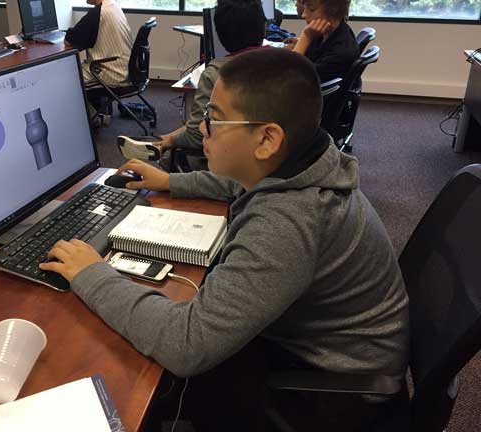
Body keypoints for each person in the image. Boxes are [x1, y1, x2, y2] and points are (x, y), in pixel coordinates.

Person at [40, 48, 410, 430]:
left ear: (266, 140)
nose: (201, 128)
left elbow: (186, 344)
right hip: (320, 345)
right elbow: (242, 178)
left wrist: (92, 273)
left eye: (213, 119)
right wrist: (169, 180)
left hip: (333, 394)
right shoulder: (306, 163)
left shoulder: (289, 221)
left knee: (137, 381)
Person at [117, 0, 267, 164]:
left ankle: (163, 144)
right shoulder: (284, 63)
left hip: (232, 167)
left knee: (168, 162)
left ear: (220, 34)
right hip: (270, 157)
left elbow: (197, 136)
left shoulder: (218, 74)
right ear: (263, 26)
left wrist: (173, 143)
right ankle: (161, 141)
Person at [65, 0, 133, 125]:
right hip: (124, 69)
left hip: (110, 74)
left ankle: (93, 118)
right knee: (79, 68)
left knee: (65, 79)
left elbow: (70, 42)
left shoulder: (97, 13)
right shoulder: (114, 6)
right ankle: (96, 113)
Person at [291, 0, 360, 83]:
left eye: (311, 8)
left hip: (310, 97)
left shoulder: (340, 54)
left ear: (333, 10)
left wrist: (305, 37)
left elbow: (288, 75)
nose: (304, 14)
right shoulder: (327, 34)